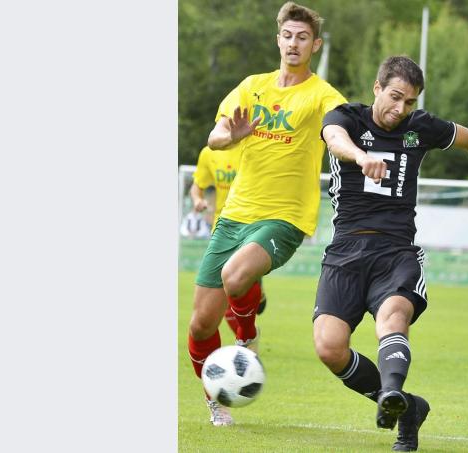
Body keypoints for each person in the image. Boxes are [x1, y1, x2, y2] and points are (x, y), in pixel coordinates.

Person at [312, 56, 468, 452]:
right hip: (345, 250)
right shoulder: (347, 118)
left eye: (409, 102)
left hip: (396, 252)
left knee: (393, 317)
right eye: (395, 97)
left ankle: (391, 392)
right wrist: (361, 156)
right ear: (377, 88)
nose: (400, 109)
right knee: (329, 346)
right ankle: (407, 409)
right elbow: (334, 140)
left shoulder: (419, 128)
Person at [186, 1, 347, 427]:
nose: (294, 43)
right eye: (288, 35)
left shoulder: (322, 95)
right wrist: (228, 137)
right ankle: (216, 401)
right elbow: (216, 133)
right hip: (234, 215)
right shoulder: (251, 86)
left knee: (236, 276)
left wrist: (349, 146)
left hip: (285, 217)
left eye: (303, 37)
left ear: (315, 44)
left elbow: (339, 127)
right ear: (278, 39)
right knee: (201, 324)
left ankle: (247, 335)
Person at [190, 144, 268, 336]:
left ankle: (256, 293)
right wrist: (197, 200)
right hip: (222, 229)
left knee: (237, 287)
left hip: (253, 226)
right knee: (226, 293)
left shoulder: (255, 145)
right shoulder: (209, 152)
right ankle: (246, 342)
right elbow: (196, 186)